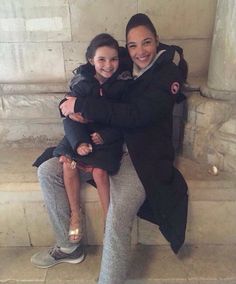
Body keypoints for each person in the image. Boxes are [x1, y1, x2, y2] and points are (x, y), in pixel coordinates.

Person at [31, 13, 188, 284]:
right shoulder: (123, 60)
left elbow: (137, 115)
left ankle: (109, 279)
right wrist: (67, 103)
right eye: (133, 45)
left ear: (157, 41)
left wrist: (82, 107)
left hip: (142, 158)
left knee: (117, 211)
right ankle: (69, 246)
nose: (140, 51)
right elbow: (87, 74)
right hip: (105, 145)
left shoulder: (168, 74)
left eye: (147, 43)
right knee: (48, 171)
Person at [53, 33, 131, 244]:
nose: (108, 65)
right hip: (81, 134)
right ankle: (75, 215)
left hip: (106, 137)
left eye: (113, 59)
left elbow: (125, 119)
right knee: (68, 165)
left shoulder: (123, 83)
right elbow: (67, 113)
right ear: (91, 60)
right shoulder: (82, 82)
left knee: (100, 172)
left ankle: (109, 219)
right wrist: (78, 141)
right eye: (101, 60)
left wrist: (106, 136)